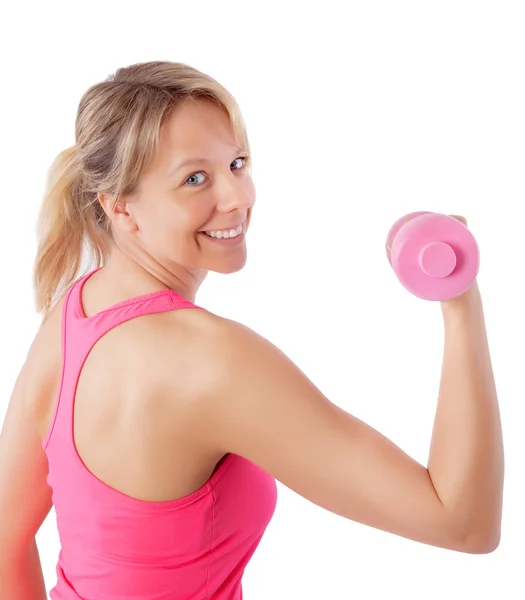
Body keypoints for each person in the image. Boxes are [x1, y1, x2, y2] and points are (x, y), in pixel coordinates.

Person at [0, 61, 504, 600]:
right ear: (119, 206)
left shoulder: (72, 315)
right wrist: (460, 301)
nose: (238, 197)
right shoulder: (213, 362)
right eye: (195, 178)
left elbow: (5, 539)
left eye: (237, 163)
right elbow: (463, 522)